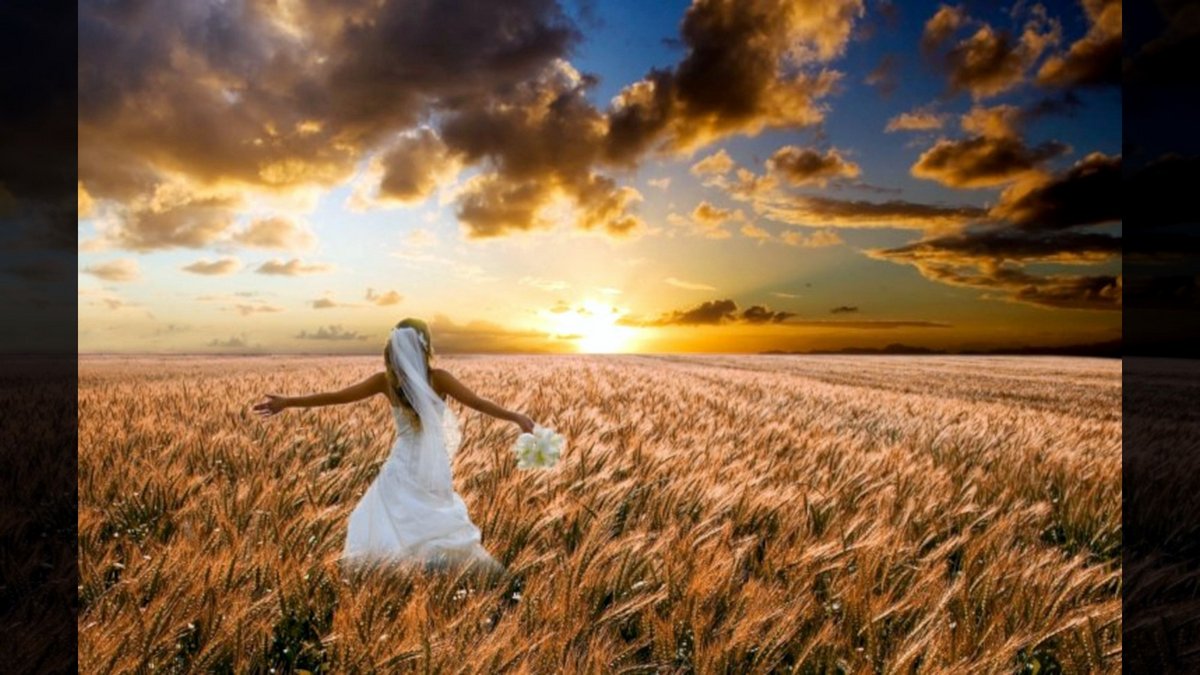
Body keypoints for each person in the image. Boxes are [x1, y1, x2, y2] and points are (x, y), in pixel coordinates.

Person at [252, 317, 535, 576]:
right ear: (425, 346)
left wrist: (288, 402)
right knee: (435, 519)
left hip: (401, 463)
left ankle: (402, 578)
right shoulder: (439, 379)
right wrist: (516, 417)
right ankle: (441, 576)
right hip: (432, 464)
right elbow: (479, 403)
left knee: (384, 519)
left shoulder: (386, 382)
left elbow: (336, 397)